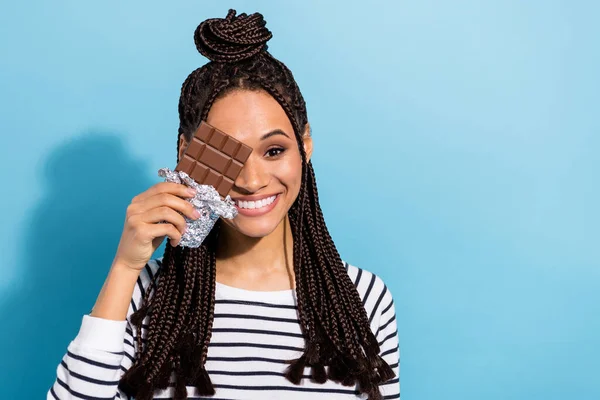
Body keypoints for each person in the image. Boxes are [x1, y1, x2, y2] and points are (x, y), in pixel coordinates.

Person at [47, 9, 400, 400]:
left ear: (306, 144)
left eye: (274, 150)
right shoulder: (144, 293)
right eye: (228, 154)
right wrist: (125, 267)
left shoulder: (364, 299)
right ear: (187, 153)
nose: (250, 182)